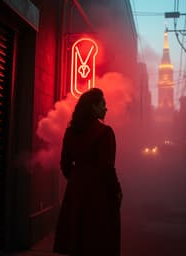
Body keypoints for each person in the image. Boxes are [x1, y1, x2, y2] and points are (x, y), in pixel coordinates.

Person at [53, 88, 122, 256]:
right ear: (93, 107)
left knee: (77, 239)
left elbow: (65, 164)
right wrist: (116, 191)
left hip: (76, 192)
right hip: (99, 194)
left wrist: (77, 178)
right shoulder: (105, 133)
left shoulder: (71, 132)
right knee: (98, 240)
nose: (106, 108)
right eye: (102, 104)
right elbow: (107, 168)